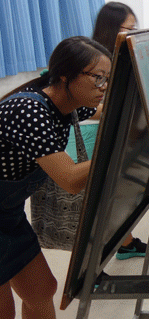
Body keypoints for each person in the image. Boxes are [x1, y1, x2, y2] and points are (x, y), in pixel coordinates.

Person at [0, 37, 111, 318]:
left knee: (41, 290)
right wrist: (117, 148)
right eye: (98, 78)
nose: (104, 87)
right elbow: (70, 180)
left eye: (108, 79)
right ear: (65, 75)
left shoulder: (68, 103)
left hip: (7, 214)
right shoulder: (29, 110)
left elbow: (108, 112)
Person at [83, 2, 149, 259]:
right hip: (101, 137)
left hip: (124, 134)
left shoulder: (124, 56)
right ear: (111, 29)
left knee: (119, 194)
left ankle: (125, 241)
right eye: (128, 28)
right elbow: (84, 108)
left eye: (135, 28)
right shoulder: (93, 60)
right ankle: (97, 261)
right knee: (102, 198)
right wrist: (113, 110)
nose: (133, 33)